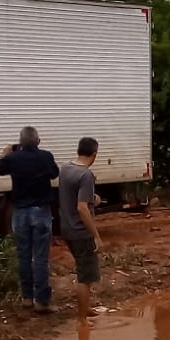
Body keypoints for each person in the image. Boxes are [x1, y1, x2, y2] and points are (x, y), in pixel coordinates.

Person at [0, 126, 60, 312]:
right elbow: (54, 173)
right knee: (41, 259)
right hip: (41, 212)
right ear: (37, 140)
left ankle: (27, 297)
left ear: (20, 142)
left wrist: (5, 153)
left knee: (24, 256)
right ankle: (42, 301)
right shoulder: (45, 156)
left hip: (20, 213)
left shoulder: (13, 159)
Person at [58, 136, 103, 319]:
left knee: (84, 270)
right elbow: (82, 207)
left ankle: (86, 309)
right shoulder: (86, 175)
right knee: (86, 276)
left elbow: (75, 196)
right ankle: (82, 319)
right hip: (81, 231)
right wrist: (96, 236)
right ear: (94, 154)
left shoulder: (66, 168)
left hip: (67, 227)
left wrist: (94, 198)